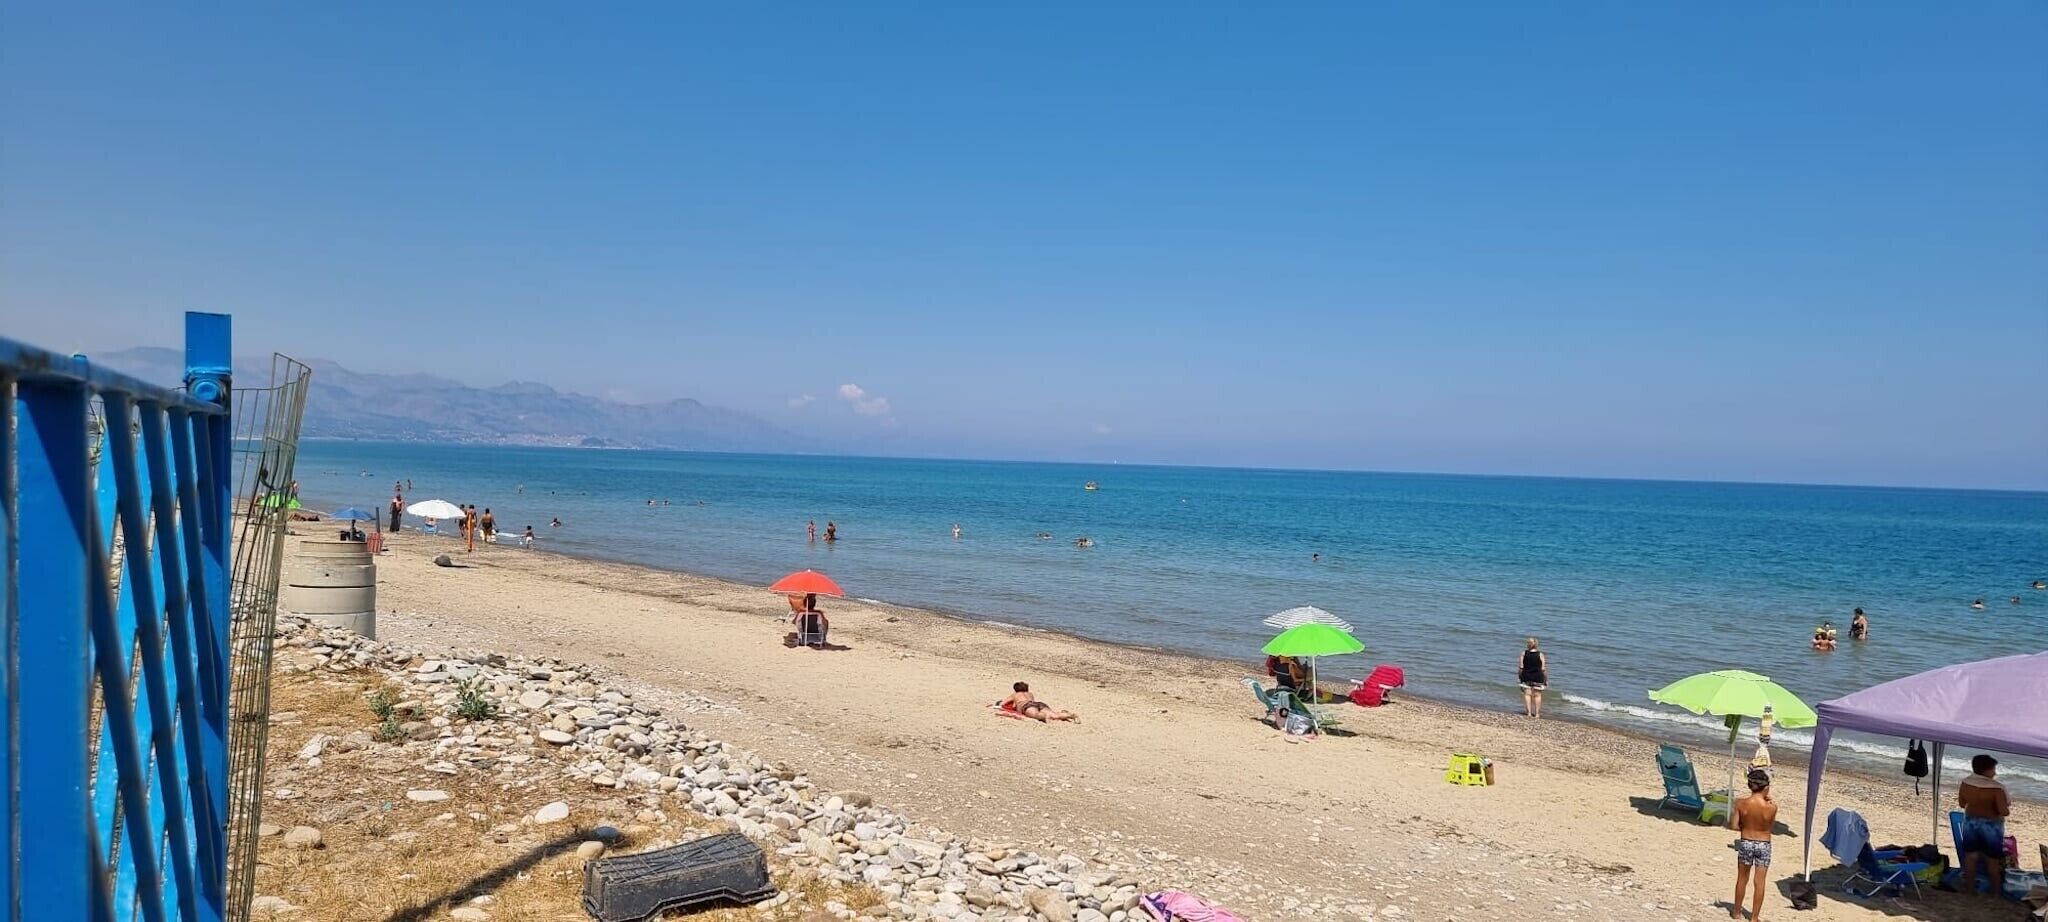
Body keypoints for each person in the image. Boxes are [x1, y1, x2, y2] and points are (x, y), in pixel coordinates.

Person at [1957, 754, 2010, 897]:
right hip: (1991, 826)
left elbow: (1962, 803)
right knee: (1992, 860)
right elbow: (2003, 811)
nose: (1995, 772)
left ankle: (1969, 890)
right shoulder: (1996, 788)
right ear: (1986, 770)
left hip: (1970, 821)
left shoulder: (1966, 782)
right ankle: (1995, 893)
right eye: (1993, 769)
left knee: (1970, 856)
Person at [1730, 768, 1776, 921]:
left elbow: (1734, 826)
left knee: (1742, 878)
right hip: (1764, 844)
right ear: (1766, 787)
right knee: (1760, 881)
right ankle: (1754, 917)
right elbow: (1769, 827)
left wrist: (1747, 827)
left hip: (1747, 841)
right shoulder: (1771, 807)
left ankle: (1737, 912)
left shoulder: (1741, 804)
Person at [999, 682, 1078, 722]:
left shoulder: (1015, 695)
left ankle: (1043, 716)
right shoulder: (1030, 694)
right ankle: (1069, 715)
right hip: (1038, 704)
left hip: (1026, 705)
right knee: (1055, 715)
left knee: (1036, 715)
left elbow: (1002, 703)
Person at [1518, 638, 1548, 718]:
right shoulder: (1540, 654)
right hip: (1538, 677)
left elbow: (1521, 667)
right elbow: (1543, 669)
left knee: (1527, 694)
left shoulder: (1523, 653)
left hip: (1526, 676)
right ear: (1536, 645)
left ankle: (1529, 713)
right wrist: (1546, 679)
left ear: (1528, 644)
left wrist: (1520, 677)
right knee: (1537, 695)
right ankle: (1537, 714)